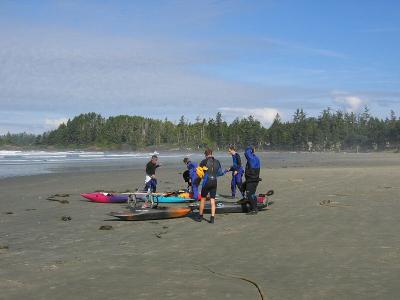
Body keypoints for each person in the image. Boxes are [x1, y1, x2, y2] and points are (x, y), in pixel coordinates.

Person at [196, 148, 223, 224]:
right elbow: (220, 173)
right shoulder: (217, 161)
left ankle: (200, 216)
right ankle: (212, 218)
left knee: (203, 199)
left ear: (205, 154)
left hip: (206, 182)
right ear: (211, 153)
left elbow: (199, 173)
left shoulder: (204, 161)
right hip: (214, 181)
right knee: (212, 200)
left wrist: (197, 182)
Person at [242, 146, 261, 215]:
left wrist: (251, 149)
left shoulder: (252, 159)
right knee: (250, 192)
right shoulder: (255, 158)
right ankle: (253, 205)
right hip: (252, 179)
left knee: (250, 194)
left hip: (252, 180)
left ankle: (254, 209)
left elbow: (247, 153)